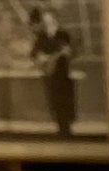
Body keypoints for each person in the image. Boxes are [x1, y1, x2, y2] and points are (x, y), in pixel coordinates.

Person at [26, 6, 75, 140]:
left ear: (55, 20)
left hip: (62, 73)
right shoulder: (42, 37)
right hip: (49, 73)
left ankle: (66, 129)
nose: (48, 23)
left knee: (64, 100)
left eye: (50, 20)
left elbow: (70, 52)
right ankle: (60, 128)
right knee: (54, 101)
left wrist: (66, 53)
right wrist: (41, 58)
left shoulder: (63, 35)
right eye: (46, 20)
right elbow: (34, 53)